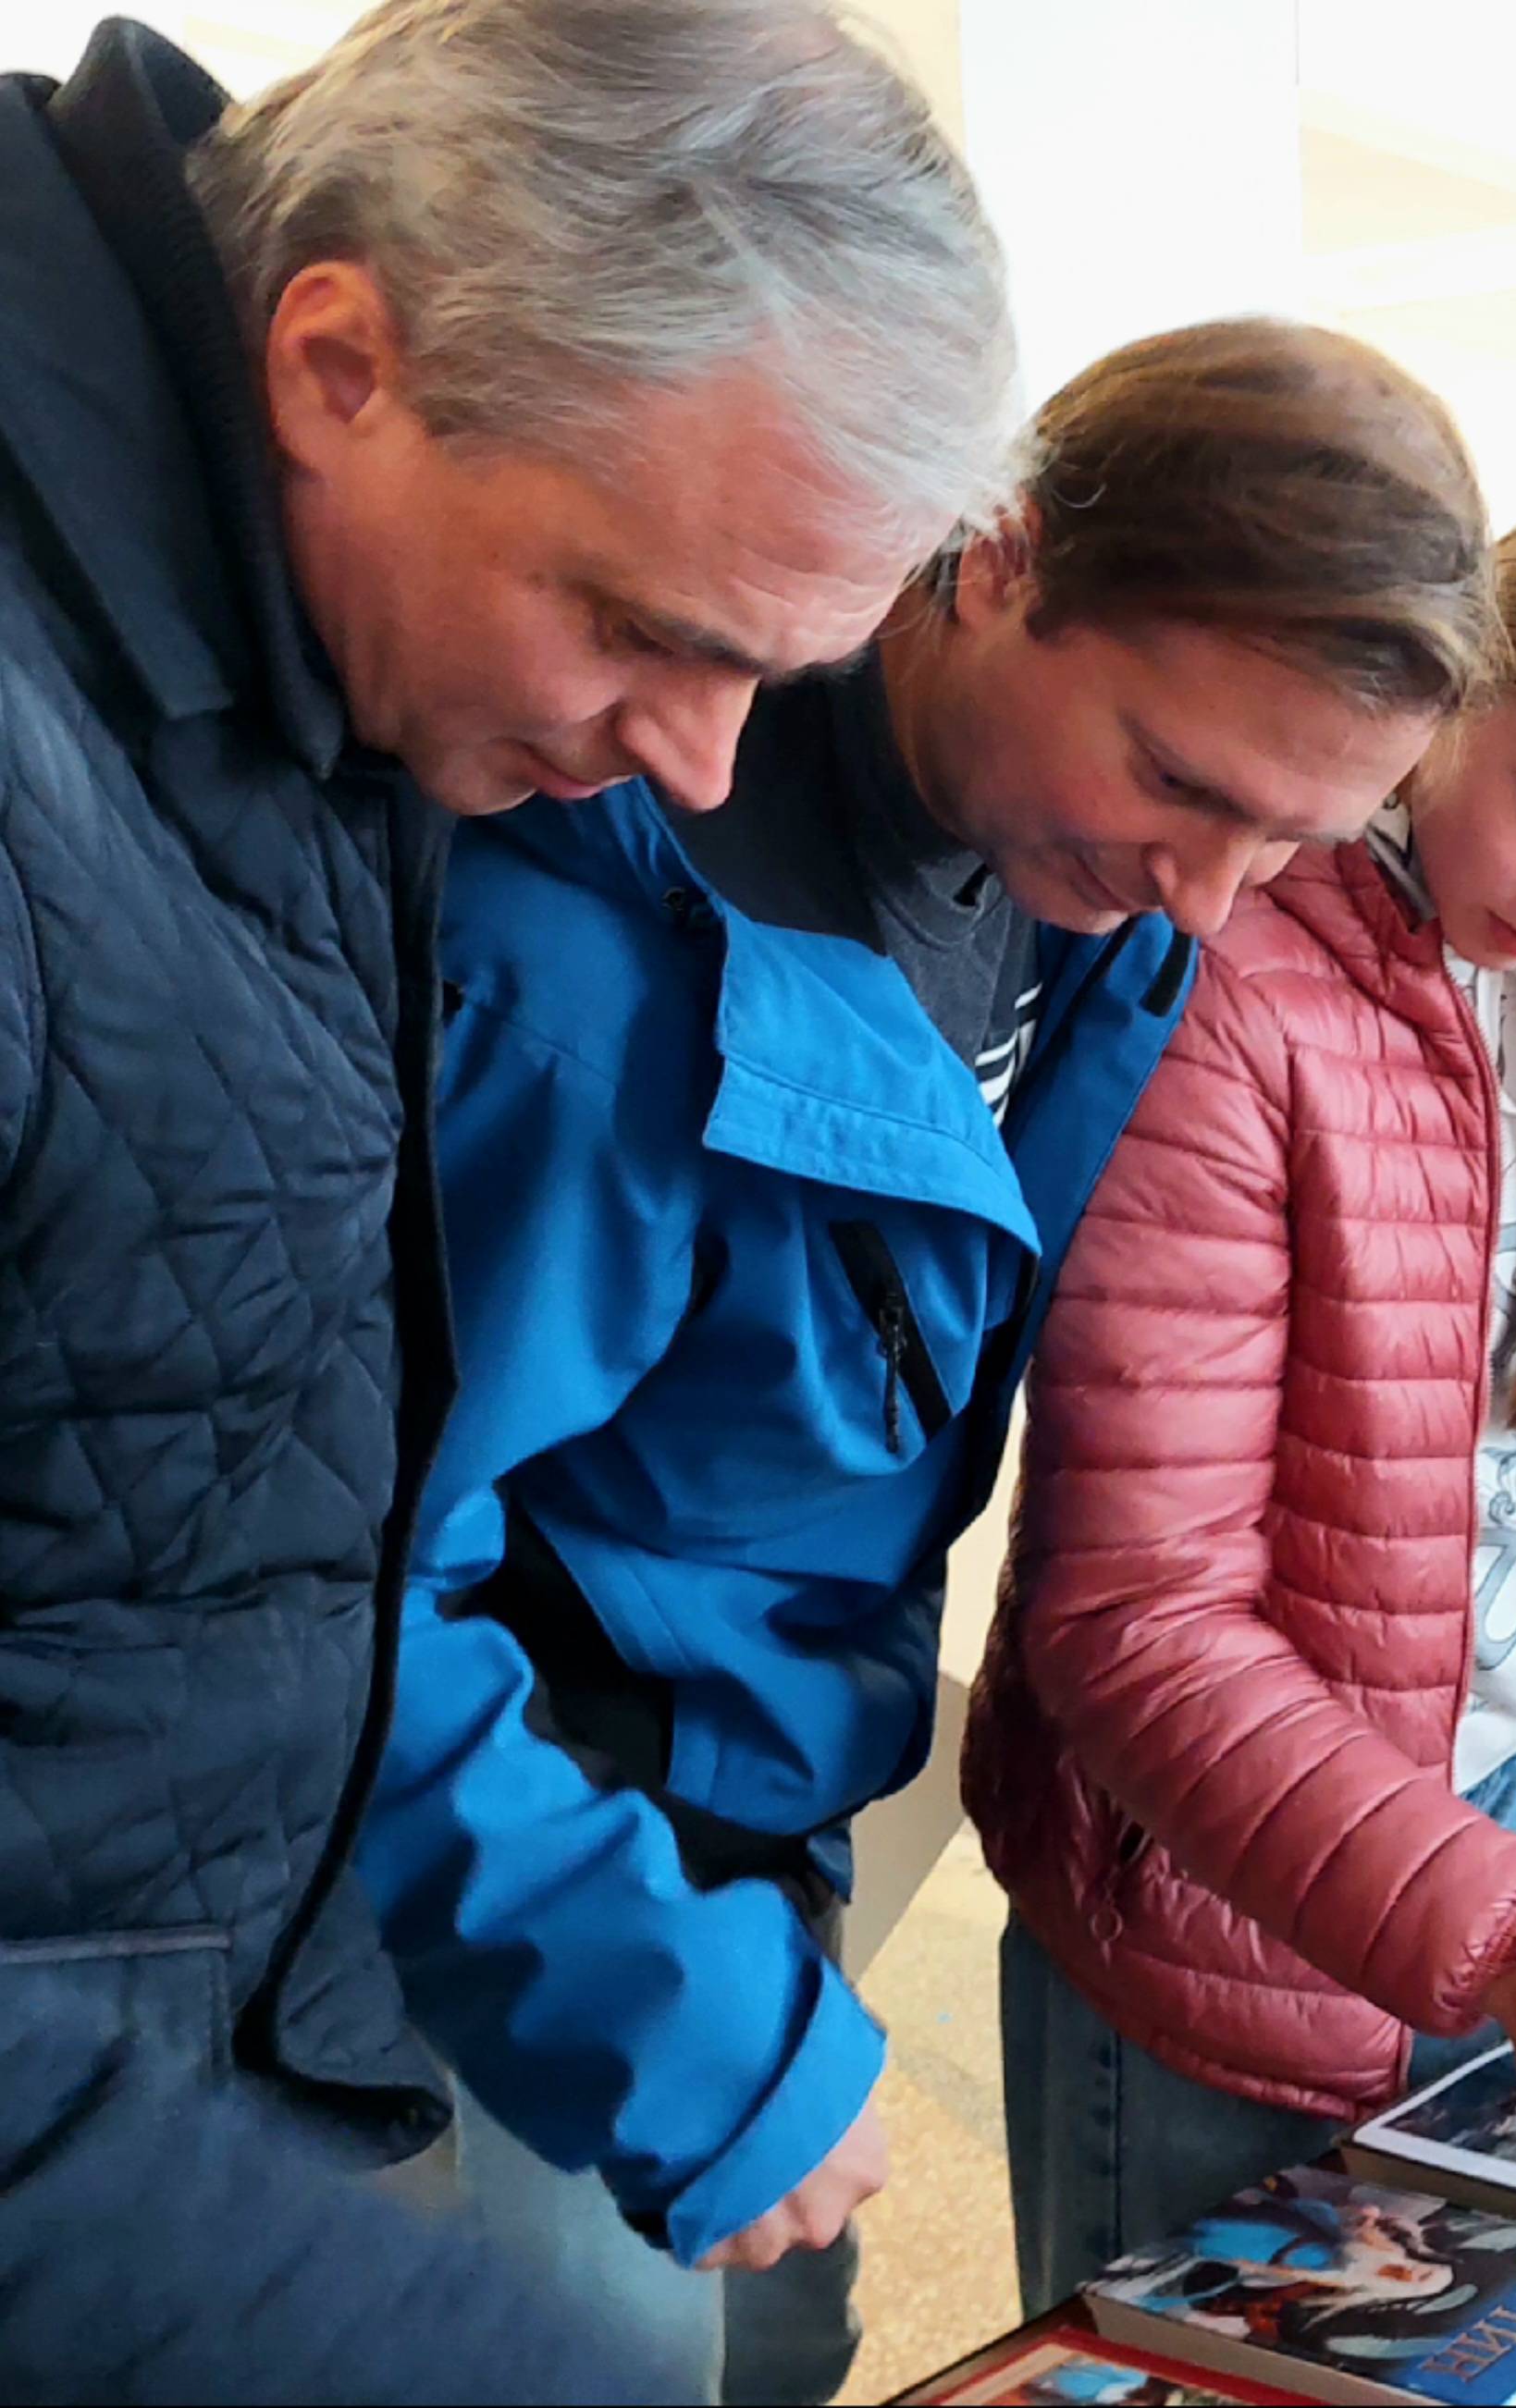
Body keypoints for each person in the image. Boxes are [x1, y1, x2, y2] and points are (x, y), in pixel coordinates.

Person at [0, 2, 1014, 2394]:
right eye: (649, 631)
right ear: (342, 358)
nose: (690, 760)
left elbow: (218, 1525)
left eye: (774, 675)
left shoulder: (312, 694)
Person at [362, 322, 1492, 2399]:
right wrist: (660, 2007)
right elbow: (343, 1588)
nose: (1205, 893)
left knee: (787, 2347)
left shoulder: (1101, 904)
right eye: (1175, 778)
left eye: (1292, 846)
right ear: (991, 554)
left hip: (772, 1799)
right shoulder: (590, 936)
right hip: (543, 1828)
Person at [967, 477, 1516, 2307]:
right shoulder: (1230, 979)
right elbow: (1134, 1622)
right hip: (1225, 1874)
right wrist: (1501, 1932)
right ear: (1438, 704)